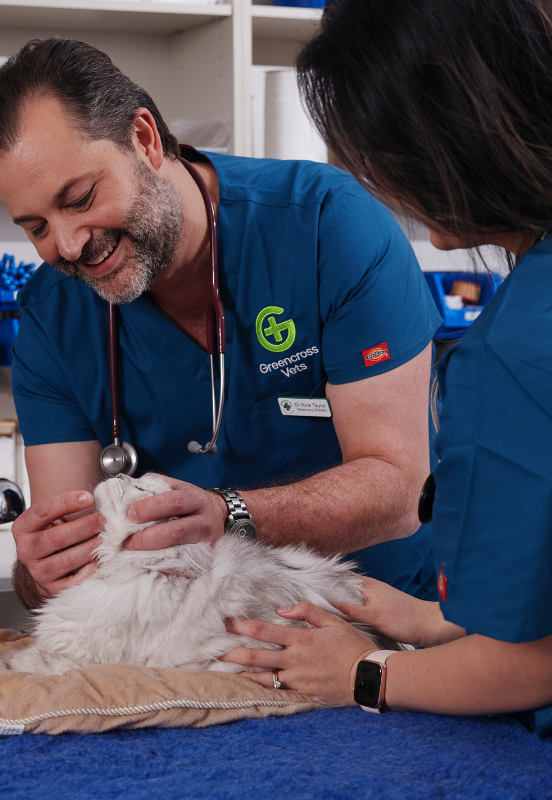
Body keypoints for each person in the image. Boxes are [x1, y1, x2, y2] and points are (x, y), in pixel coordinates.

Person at [0, 38, 441, 609]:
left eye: (82, 197)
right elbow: (74, 553)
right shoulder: (52, 315)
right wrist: (41, 570)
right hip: (200, 639)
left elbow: (399, 487)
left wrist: (227, 515)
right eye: (35, 227)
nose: (68, 244)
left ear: (144, 139)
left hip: (380, 615)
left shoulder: (324, 227)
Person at [221, 0, 552, 738]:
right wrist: (439, 622)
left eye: (373, 156)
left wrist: (361, 674)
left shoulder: (512, 355)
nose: (370, 181)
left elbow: (530, 662)